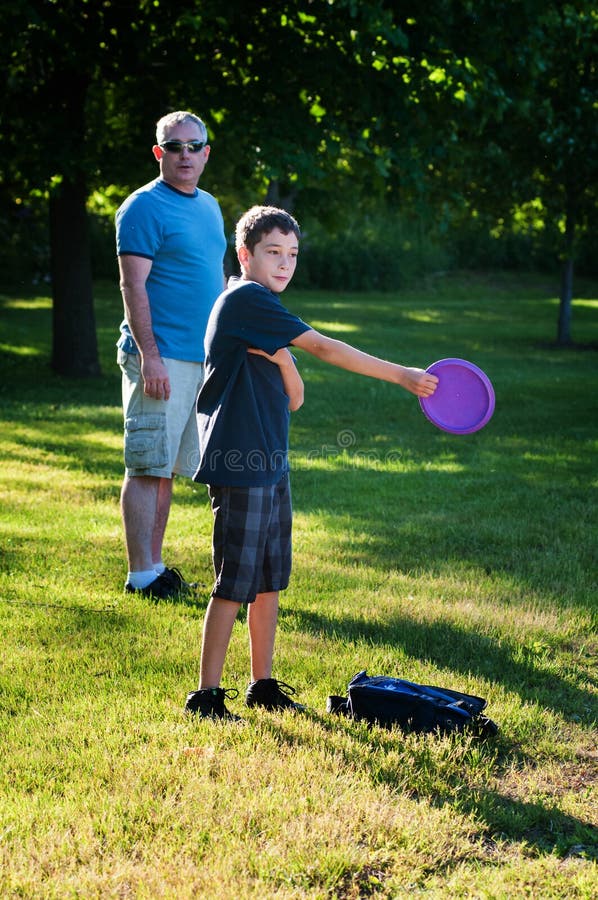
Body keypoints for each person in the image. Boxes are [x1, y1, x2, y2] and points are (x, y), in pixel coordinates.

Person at [184, 205, 439, 718]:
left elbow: (295, 398)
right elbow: (325, 346)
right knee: (234, 583)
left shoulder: (266, 315)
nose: (283, 263)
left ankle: (262, 683)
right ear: (245, 255)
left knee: (270, 580)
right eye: (272, 252)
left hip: (270, 464)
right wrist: (404, 377)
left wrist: (281, 358)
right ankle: (206, 696)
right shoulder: (247, 300)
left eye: (292, 254)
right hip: (241, 467)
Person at [115, 111, 226, 599]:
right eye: (173, 146)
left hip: (198, 359)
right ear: (159, 153)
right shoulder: (142, 207)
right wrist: (150, 357)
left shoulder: (211, 206)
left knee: (168, 470)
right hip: (158, 357)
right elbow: (131, 286)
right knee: (146, 466)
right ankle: (140, 576)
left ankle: (156, 569)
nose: (184, 154)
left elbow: (216, 280)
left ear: (205, 152)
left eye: (193, 146)